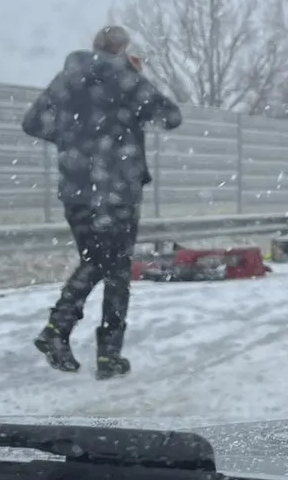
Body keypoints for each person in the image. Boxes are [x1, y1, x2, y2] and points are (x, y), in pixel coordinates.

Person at [21, 25, 182, 380]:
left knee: (98, 261)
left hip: (76, 188)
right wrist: (135, 80)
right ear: (122, 50)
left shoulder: (67, 79)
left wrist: (74, 142)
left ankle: (87, 344)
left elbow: (32, 123)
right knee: (113, 267)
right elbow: (171, 117)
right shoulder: (126, 78)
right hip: (118, 190)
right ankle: (80, 340)